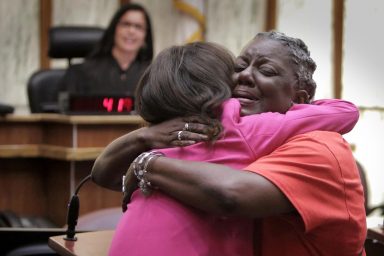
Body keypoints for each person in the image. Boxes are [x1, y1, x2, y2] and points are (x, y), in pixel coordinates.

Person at [92, 32, 365, 255]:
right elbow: (103, 174)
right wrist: (143, 137)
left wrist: (147, 163)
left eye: (266, 70)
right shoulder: (208, 131)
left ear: (302, 99)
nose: (244, 76)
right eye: (238, 67)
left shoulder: (318, 146)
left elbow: (230, 195)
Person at [59, 3, 153, 96]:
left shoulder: (152, 76)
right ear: (114, 29)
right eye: (126, 24)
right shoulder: (80, 73)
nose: (131, 31)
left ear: (145, 36)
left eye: (138, 27)